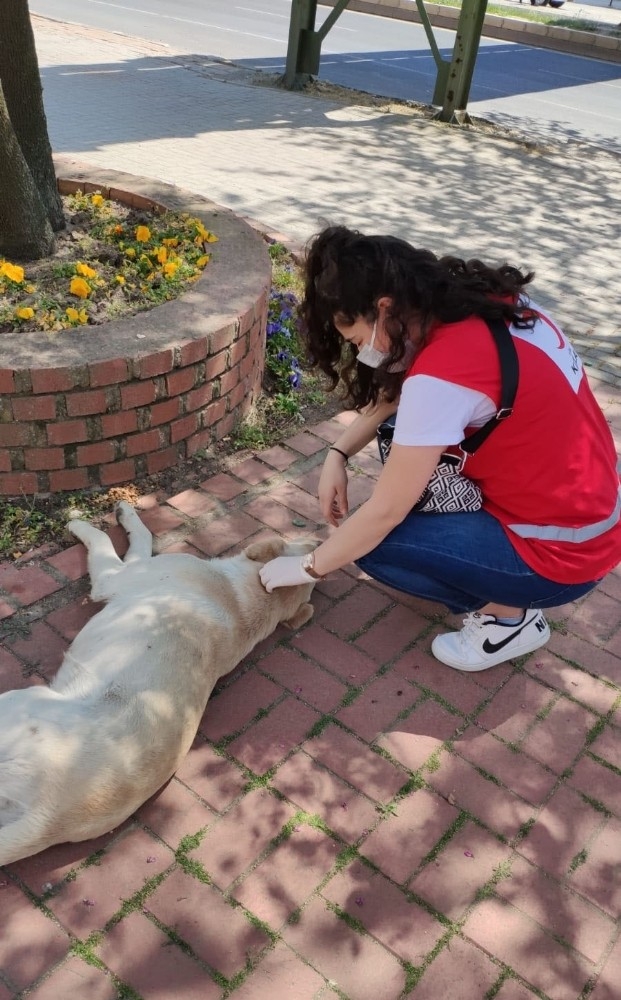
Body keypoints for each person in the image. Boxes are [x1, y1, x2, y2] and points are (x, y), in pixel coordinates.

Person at [259, 225, 621, 672]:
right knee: (401, 448)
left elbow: (385, 512)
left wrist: (309, 568)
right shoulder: (492, 304)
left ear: (383, 307)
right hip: (594, 516)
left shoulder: (442, 375)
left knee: (372, 544)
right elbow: (404, 395)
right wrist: (338, 453)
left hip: (559, 559)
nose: (362, 352)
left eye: (357, 340)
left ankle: (510, 619)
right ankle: (495, 580)